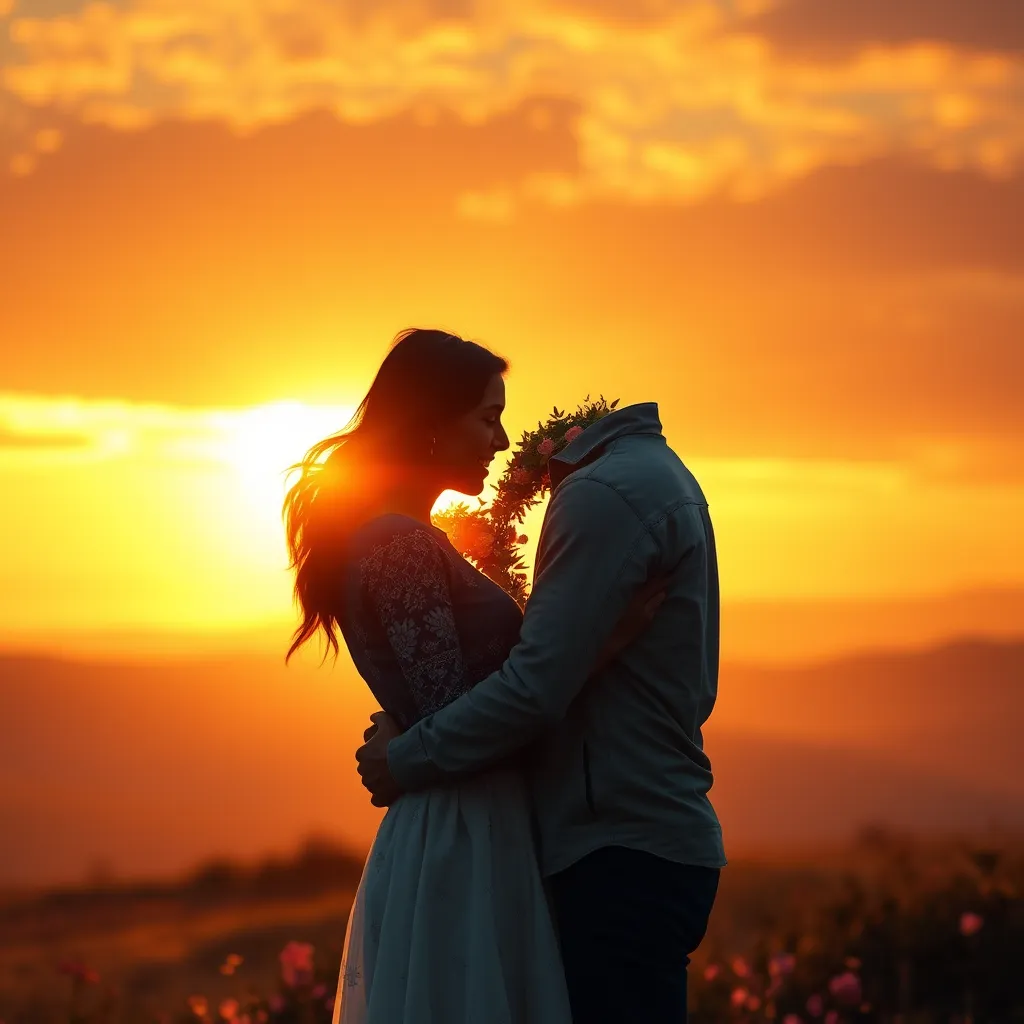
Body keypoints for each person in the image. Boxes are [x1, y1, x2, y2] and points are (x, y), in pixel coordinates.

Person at [283, 327, 661, 1024]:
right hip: (462, 834)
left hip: (473, 823)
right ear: (430, 423)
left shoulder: (402, 537)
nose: (501, 438)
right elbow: (466, 720)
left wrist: (406, 733)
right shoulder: (397, 544)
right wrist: (606, 640)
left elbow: (439, 708)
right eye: (488, 416)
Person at [357, 397, 726, 1024]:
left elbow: (534, 689)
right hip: (641, 833)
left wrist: (404, 756)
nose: (500, 442)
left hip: (619, 846)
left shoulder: (600, 495)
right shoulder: (656, 476)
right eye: (484, 417)